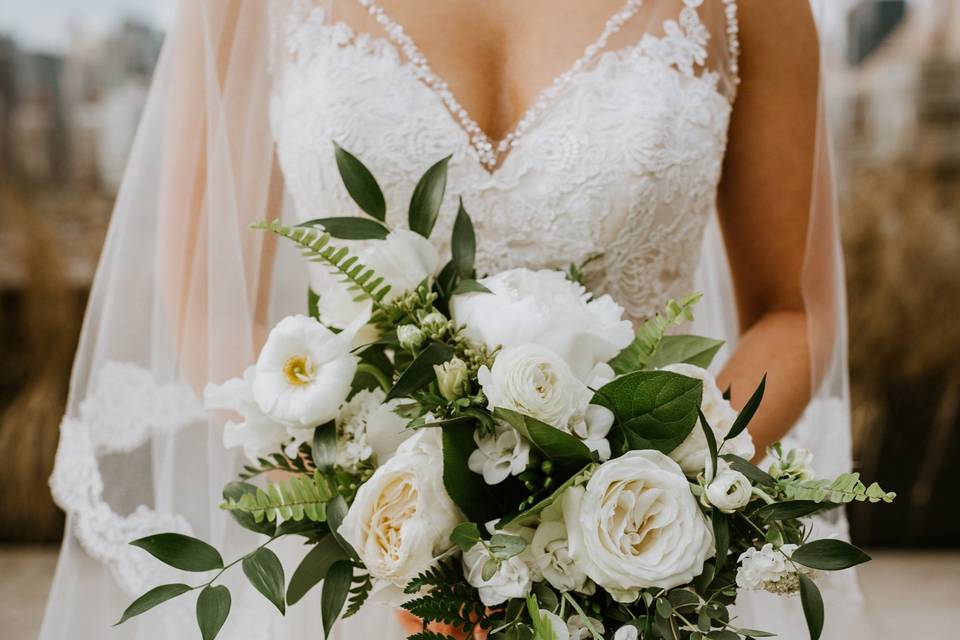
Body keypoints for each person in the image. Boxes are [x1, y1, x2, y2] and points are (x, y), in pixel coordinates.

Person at [40, 1, 863, 638]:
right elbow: (210, 301)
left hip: (634, 582)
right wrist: (380, 530)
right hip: (351, 577)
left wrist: (646, 508)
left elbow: (792, 310)